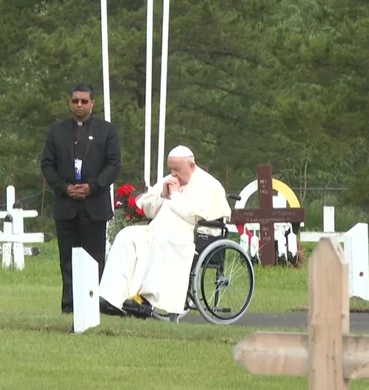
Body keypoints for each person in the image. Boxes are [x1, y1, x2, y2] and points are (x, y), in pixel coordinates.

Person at [99, 145, 232, 319]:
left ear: (191, 166)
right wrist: (162, 195)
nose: (173, 174)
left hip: (190, 236)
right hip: (157, 230)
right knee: (127, 235)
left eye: (177, 169)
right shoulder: (169, 180)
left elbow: (197, 215)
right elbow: (148, 210)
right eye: (171, 169)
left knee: (161, 241)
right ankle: (112, 297)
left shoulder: (209, 185)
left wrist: (176, 195)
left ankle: (145, 301)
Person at [40, 82, 121, 314]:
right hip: (66, 205)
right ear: (69, 102)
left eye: (84, 101)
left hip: (94, 206)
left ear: (92, 103)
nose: (79, 105)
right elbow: (47, 164)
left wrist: (92, 187)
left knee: (94, 259)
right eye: (75, 100)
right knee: (67, 258)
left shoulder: (107, 131)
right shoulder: (57, 131)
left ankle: (93, 305)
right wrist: (64, 188)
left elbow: (113, 165)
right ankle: (69, 306)